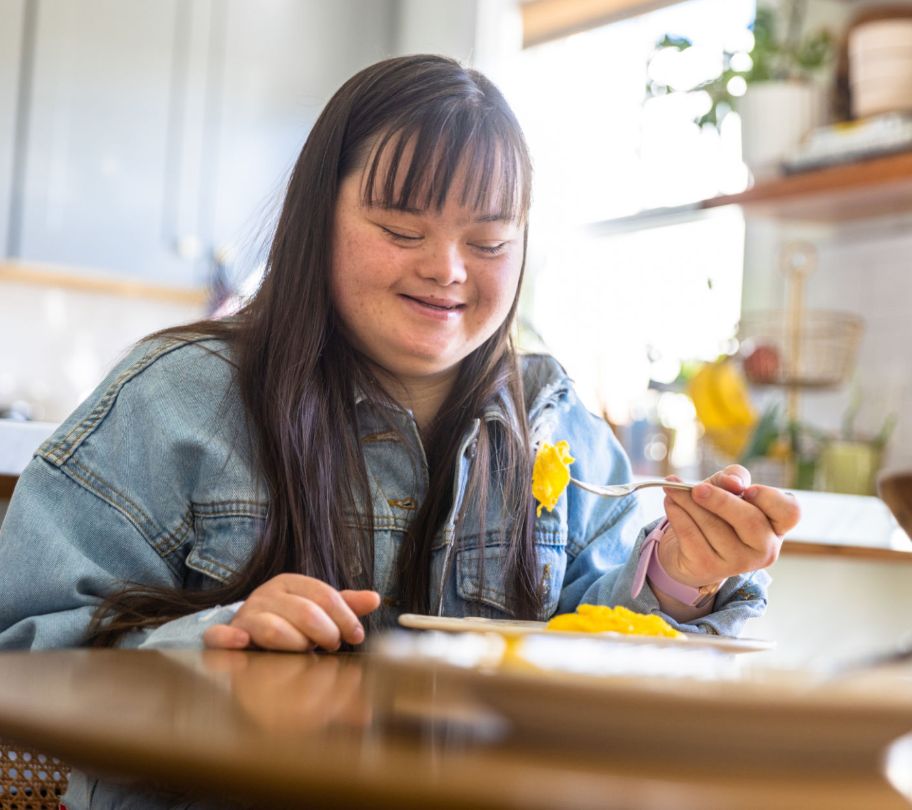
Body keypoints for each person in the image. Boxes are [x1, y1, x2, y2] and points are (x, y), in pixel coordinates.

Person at [0, 54, 799, 657]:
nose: (447, 269)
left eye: (487, 240)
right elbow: (26, 644)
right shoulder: (175, 402)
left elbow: (617, 642)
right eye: (401, 230)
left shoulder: (555, 424)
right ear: (319, 218)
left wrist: (684, 575)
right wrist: (218, 635)